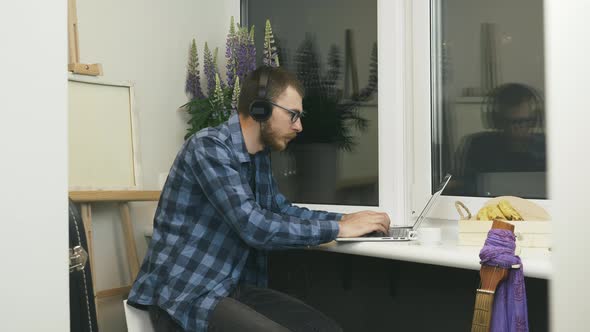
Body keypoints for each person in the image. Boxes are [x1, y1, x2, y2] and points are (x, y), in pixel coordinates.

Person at [127, 66, 391, 332]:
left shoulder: (258, 158)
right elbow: (255, 226)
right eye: (293, 115)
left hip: (229, 289)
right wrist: (339, 228)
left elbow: (280, 211)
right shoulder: (208, 147)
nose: (299, 126)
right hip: (186, 296)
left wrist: (345, 219)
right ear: (260, 109)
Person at [448, 83, 546, 196]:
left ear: (534, 120)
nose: (517, 128)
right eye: (510, 122)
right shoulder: (479, 148)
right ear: (496, 121)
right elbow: (463, 189)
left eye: (523, 121)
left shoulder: (546, 148)